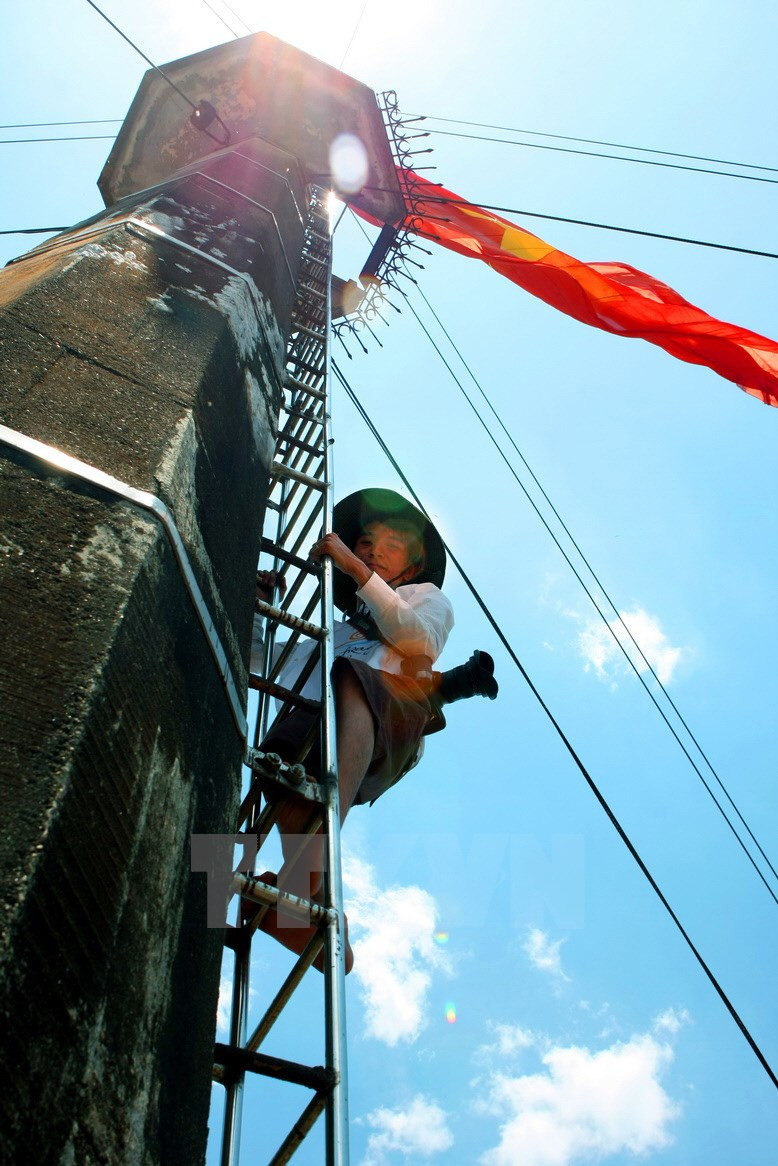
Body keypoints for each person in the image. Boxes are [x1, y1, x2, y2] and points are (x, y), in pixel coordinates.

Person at [253, 488, 454, 971]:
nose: (375, 549)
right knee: (276, 750)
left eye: (392, 543)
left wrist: (353, 568)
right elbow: (258, 663)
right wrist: (257, 602)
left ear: (412, 566)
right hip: (317, 735)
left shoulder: (425, 597)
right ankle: (292, 902)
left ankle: (309, 869)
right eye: (365, 541)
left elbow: (418, 639)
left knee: (351, 677)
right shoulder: (331, 633)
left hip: (385, 726)